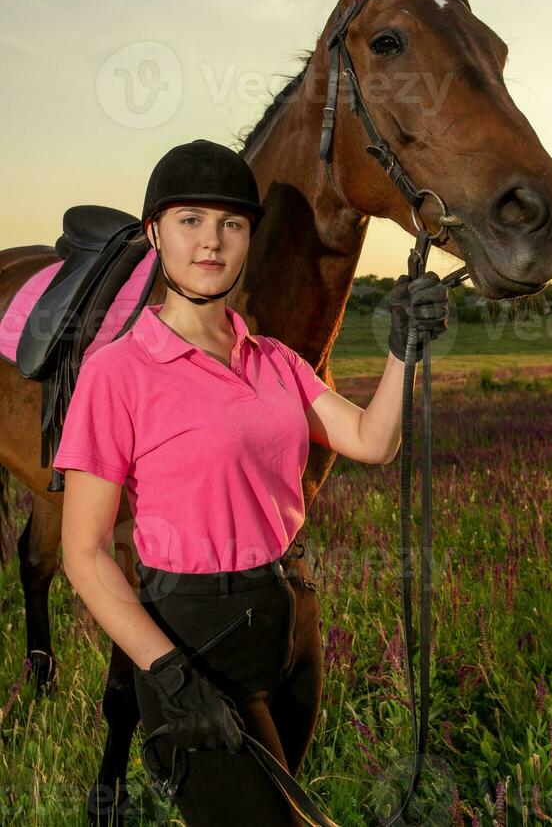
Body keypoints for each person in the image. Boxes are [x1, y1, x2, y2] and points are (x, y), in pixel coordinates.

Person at [53, 138, 448, 826]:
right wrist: (167, 672)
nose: (212, 241)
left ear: (249, 239)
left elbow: (371, 441)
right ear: (154, 233)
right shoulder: (118, 370)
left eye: (232, 224)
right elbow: (83, 552)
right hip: (196, 636)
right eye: (190, 220)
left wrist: (402, 352)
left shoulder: (277, 360)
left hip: (293, 622)